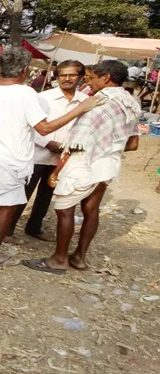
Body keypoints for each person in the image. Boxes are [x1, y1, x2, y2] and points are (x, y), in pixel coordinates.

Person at [0, 46, 101, 266]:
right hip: (10, 158)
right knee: (6, 206)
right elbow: (43, 129)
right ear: (25, 70)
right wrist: (80, 109)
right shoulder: (26, 94)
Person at [24, 60, 140, 274]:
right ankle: (79, 257)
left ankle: (59, 259)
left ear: (106, 78)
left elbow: (77, 143)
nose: (89, 83)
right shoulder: (130, 102)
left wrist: (57, 171)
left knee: (64, 208)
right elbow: (133, 144)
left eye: (91, 78)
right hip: (108, 164)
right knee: (91, 209)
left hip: (83, 164)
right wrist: (108, 147)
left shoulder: (98, 102)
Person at [7, 60, 89, 242]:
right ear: (57, 77)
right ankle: (8, 229)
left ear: (81, 77)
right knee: (24, 192)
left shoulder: (85, 102)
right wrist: (48, 143)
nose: (67, 79)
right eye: (63, 75)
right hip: (38, 153)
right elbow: (29, 125)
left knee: (47, 195)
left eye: (72, 75)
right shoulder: (44, 97)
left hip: (64, 159)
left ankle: (34, 227)